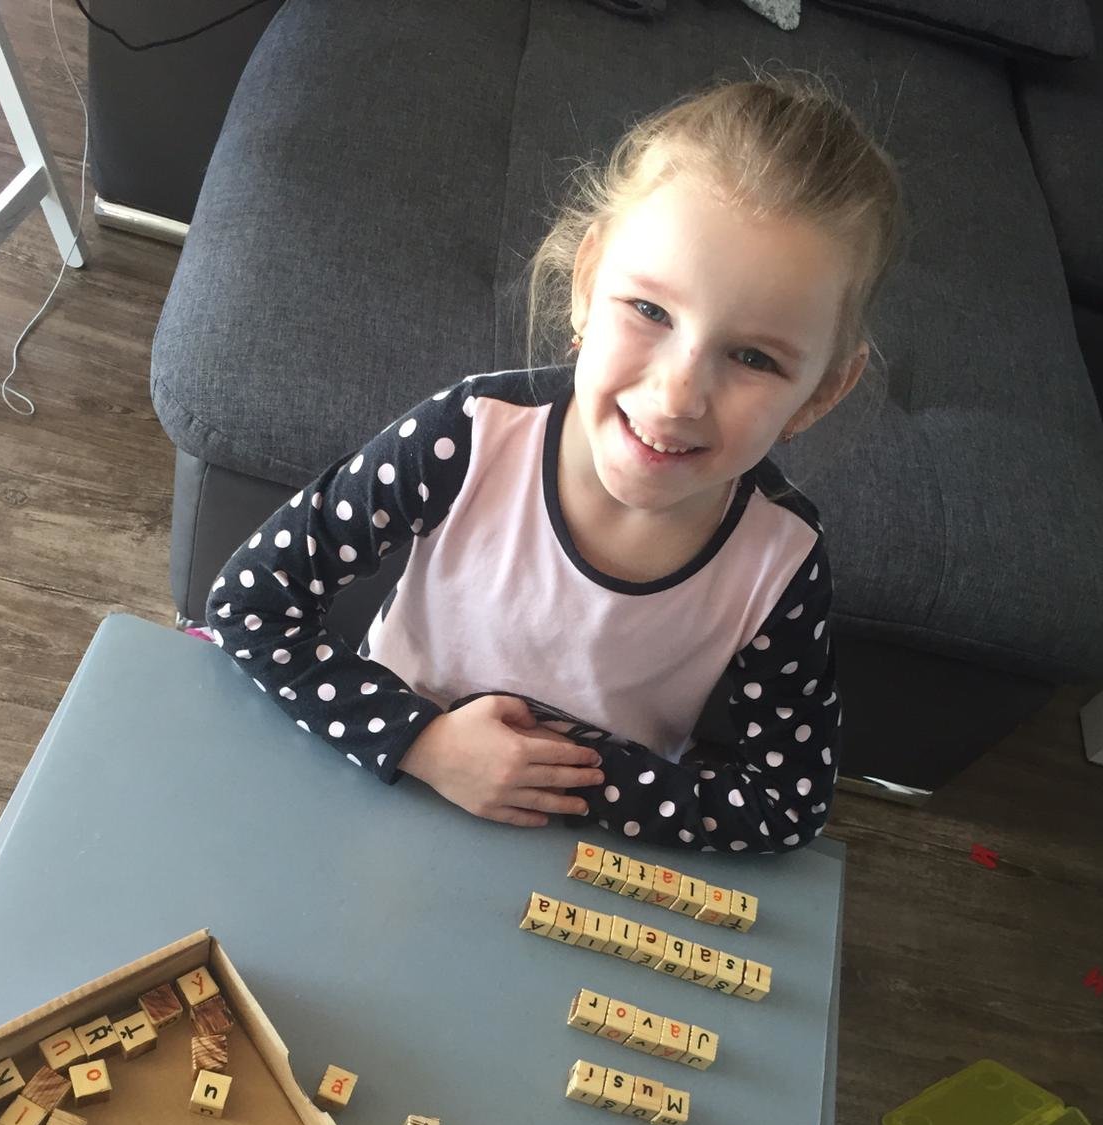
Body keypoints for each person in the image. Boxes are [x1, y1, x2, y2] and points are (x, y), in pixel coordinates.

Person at [206, 68, 906, 852]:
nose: (677, 396)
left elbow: (787, 805)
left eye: (753, 358)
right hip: (376, 782)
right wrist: (422, 742)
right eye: (651, 310)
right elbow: (249, 603)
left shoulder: (781, 562)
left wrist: (568, 777)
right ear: (588, 280)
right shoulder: (471, 434)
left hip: (577, 853)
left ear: (823, 391)